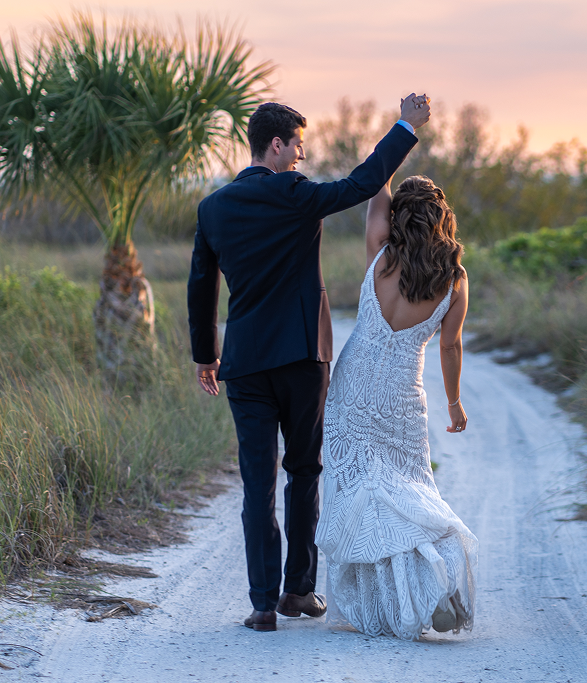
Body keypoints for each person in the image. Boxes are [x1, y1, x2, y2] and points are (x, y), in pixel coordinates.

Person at [187, 95, 432, 632]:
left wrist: (206, 355)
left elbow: (201, 287)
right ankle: (298, 590)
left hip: (246, 364)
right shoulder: (294, 194)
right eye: (298, 145)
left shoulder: (212, 208)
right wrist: (405, 128)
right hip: (302, 357)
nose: (301, 155)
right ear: (276, 144)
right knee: (303, 471)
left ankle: (261, 604)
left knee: (257, 483)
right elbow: (361, 184)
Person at [314, 174, 477, 640]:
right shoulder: (455, 278)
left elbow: (375, 190)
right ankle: (426, 584)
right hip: (402, 399)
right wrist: (455, 404)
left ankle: (386, 604)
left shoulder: (379, 253)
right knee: (407, 491)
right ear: (442, 217)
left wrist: (401, 131)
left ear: (398, 216)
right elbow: (450, 347)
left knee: (362, 493)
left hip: (352, 391)